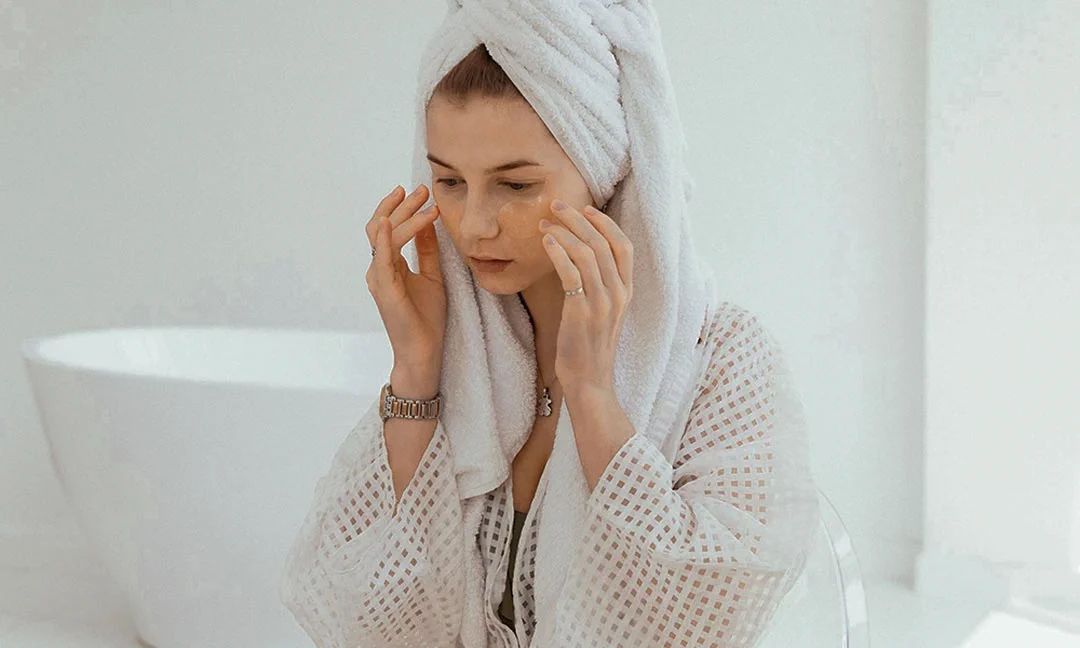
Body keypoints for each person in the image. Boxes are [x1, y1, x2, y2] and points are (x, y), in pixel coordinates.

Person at [279, 3, 821, 647]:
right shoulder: (466, 357)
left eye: (515, 186)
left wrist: (592, 395)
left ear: (600, 174)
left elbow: (709, 618)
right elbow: (373, 624)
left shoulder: (722, 358)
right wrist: (416, 370)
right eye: (449, 181)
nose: (474, 224)